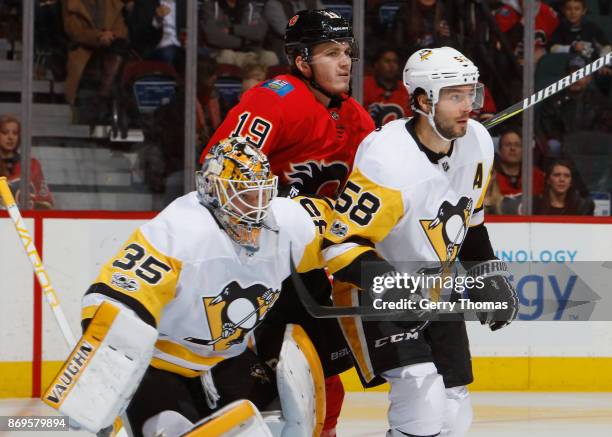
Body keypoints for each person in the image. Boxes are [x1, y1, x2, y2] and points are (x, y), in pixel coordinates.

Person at [51, 137, 329, 436]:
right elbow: (116, 297)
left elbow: (345, 233)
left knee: (281, 425)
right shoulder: (179, 230)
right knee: (168, 430)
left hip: (229, 359)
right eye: (243, 196)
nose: (256, 208)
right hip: (160, 367)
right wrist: (99, 377)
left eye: (262, 195)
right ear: (212, 190)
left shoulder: (287, 221)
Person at [322, 47, 519, 437]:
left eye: (471, 94)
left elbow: (471, 222)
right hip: (373, 292)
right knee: (422, 394)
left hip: (435, 289)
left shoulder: (478, 142)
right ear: (423, 100)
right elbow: (339, 248)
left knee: (454, 409)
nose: (468, 107)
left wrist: (487, 274)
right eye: (454, 96)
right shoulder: (387, 159)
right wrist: (399, 286)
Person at [202, 10, 375, 436]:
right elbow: (218, 170)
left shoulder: (357, 118)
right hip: (254, 266)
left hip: (310, 269)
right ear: (301, 61)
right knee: (256, 376)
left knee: (322, 372)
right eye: (331, 52)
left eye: (347, 53)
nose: (344, 62)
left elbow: (376, 192)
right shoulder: (274, 99)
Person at [62, 0, 130, 116]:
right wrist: (98, 36)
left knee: (121, 47)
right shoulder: (71, 3)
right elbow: (74, 31)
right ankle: (103, 98)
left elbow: (122, 30)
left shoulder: (111, 3)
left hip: (111, 49)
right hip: (84, 49)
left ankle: (103, 96)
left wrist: (109, 36)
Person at [0, 115, 53, 209]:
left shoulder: (31, 165)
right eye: (5, 132)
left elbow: (46, 204)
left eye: (15, 133)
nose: (10, 137)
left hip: (24, 221)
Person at [127, 0, 186, 69]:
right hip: (155, 47)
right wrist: (156, 20)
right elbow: (137, 35)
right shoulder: (144, 3)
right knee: (170, 53)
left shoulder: (184, 3)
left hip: (181, 47)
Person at [363, 47, 412, 128]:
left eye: (395, 62)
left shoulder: (406, 90)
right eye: (387, 61)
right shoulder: (364, 86)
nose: (392, 65)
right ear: (376, 64)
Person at [495, 127, 545, 197]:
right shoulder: (491, 177)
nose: (512, 148)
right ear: (500, 150)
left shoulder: (536, 176)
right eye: (508, 145)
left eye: (517, 145)